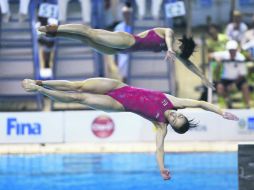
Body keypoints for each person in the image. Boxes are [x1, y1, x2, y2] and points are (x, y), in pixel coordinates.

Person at [21, 77, 238, 180]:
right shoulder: (173, 101)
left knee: (78, 97)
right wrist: (220, 112)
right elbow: (200, 103)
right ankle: (41, 82)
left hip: (119, 104)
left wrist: (162, 168)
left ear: (171, 125)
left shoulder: (160, 126)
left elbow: (160, 149)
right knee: (77, 85)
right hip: (119, 87)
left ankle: (39, 91)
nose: (175, 115)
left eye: (175, 120)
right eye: (179, 115)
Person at [38, 24, 214, 89]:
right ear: (180, 43)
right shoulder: (169, 33)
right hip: (126, 41)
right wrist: (169, 48)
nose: (178, 53)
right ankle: (55, 28)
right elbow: (169, 37)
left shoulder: (176, 52)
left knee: (85, 40)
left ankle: (55, 35)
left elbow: (189, 65)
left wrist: (203, 77)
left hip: (119, 51)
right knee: (90, 33)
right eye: (178, 50)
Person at [209, 40, 251, 108]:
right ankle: (228, 100)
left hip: (238, 78)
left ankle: (247, 105)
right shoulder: (224, 54)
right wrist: (216, 58)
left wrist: (233, 84)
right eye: (230, 50)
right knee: (219, 88)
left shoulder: (241, 58)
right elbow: (210, 55)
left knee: (245, 86)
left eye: (233, 50)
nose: (232, 52)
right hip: (226, 78)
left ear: (236, 50)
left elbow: (242, 74)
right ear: (228, 50)